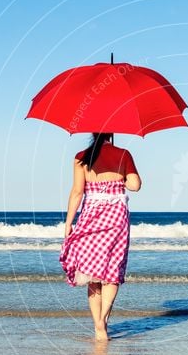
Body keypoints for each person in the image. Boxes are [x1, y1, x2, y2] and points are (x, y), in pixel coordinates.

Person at [60, 132, 141, 340]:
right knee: (111, 270)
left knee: (91, 272)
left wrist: (68, 223)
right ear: (111, 134)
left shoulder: (81, 157)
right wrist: (121, 177)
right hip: (116, 218)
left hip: (90, 216)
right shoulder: (123, 154)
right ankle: (102, 320)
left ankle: (98, 327)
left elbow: (77, 192)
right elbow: (135, 185)